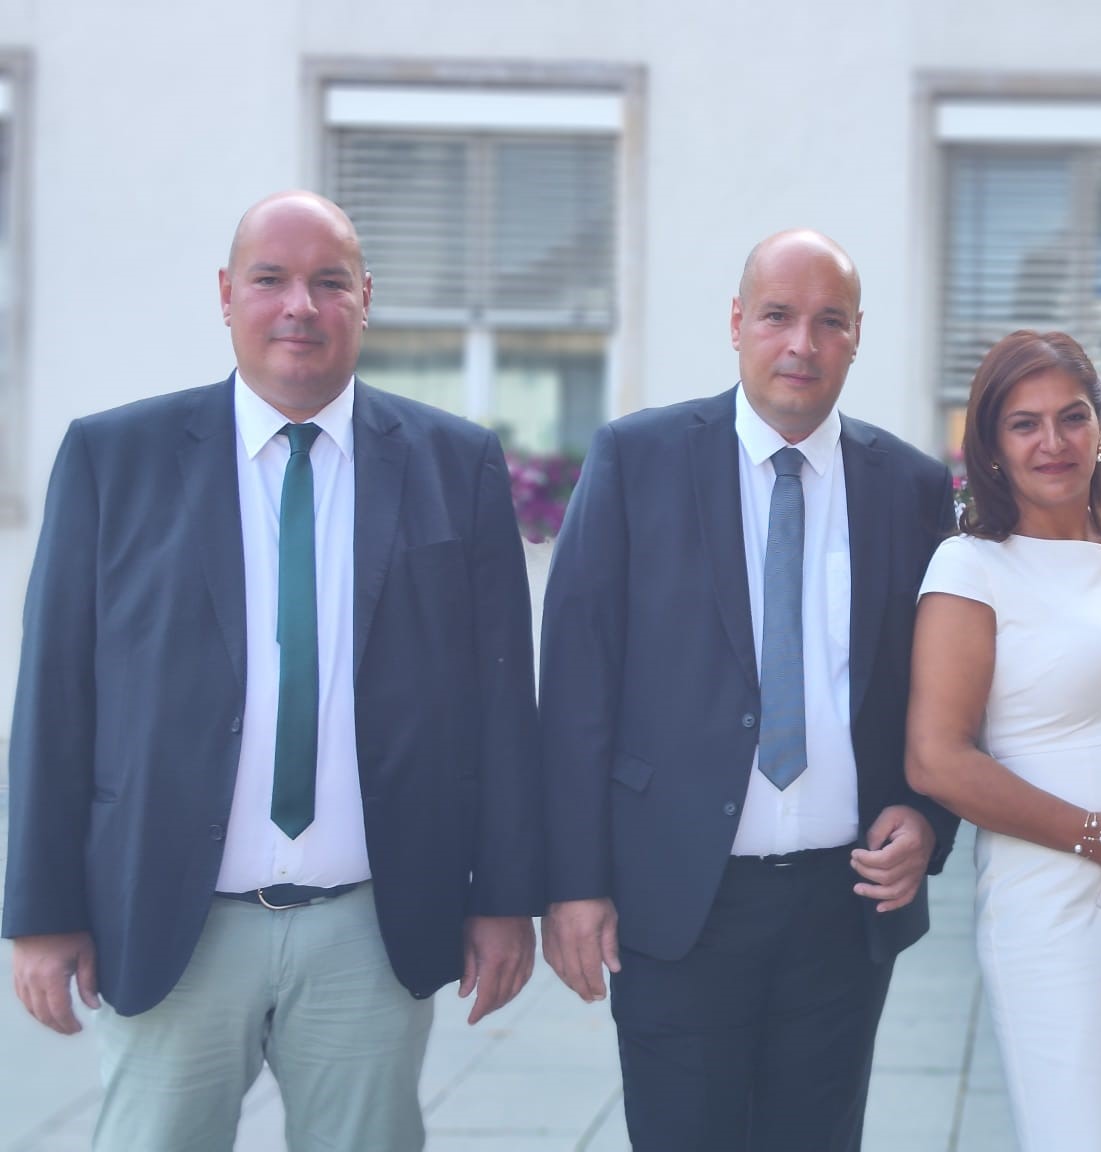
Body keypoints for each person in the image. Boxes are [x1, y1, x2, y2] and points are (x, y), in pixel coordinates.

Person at [2, 191, 544, 1150]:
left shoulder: (454, 464)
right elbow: (55, 698)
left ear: (366, 297)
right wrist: (41, 915)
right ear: (226, 295)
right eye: (270, 280)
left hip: (368, 929)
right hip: (169, 921)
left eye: (329, 282)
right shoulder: (113, 459)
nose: (301, 305)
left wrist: (503, 897)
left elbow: (500, 703)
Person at [537, 229, 959, 1151]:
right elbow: (574, 687)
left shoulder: (912, 488)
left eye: (829, 321)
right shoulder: (636, 460)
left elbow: (946, 689)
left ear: (857, 336)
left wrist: (927, 815)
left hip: (845, 906)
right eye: (777, 316)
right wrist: (571, 883)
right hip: (678, 899)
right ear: (737, 323)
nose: (802, 343)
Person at [906, 329, 1101, 1152]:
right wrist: (1095, 835)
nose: (1053, 441)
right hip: (1061, 910)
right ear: (990, 446)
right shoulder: (971, 568)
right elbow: (935, 757)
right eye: (1025, 423)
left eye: (1072, 416)